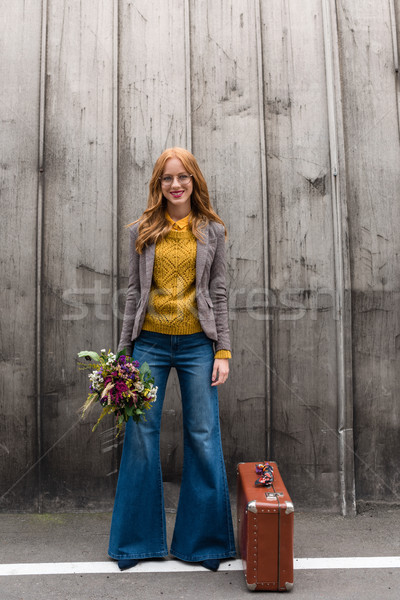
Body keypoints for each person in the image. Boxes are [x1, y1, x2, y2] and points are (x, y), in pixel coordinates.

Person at [108, 147, 236, 572]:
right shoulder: (143, 229)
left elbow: (219, 293)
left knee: (202, 435)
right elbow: (133, 292)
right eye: (167, 178)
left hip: (199, 345)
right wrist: (124, 355)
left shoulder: (212, 231)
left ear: (194, 181)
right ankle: (135, 545)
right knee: (142, 437)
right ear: (158, 185)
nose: (175, 184)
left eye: (183, 177)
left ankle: (204, 546)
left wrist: (223, 350)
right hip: (150, 345)